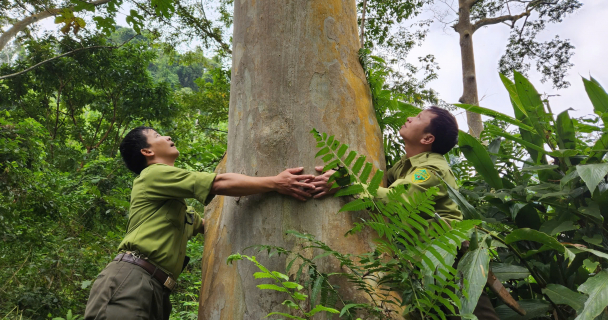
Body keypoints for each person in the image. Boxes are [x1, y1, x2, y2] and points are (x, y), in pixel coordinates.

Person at [84, 126, 315, 320]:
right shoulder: (152, 174)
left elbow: (206, 224)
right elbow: (220, 183)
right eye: (157, 136)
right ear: (147, 151)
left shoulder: (176, 207)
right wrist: (276, 182)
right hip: (132, 279)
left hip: (156, 288)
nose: (167, 137)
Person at [310, 106, 499, 319]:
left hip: (448, 262)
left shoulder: (430, 170)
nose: (409, 118)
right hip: (423, 265)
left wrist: (348, 183)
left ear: (428, 139)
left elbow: (396, 199)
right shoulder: (404, 166)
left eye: (418, 117)